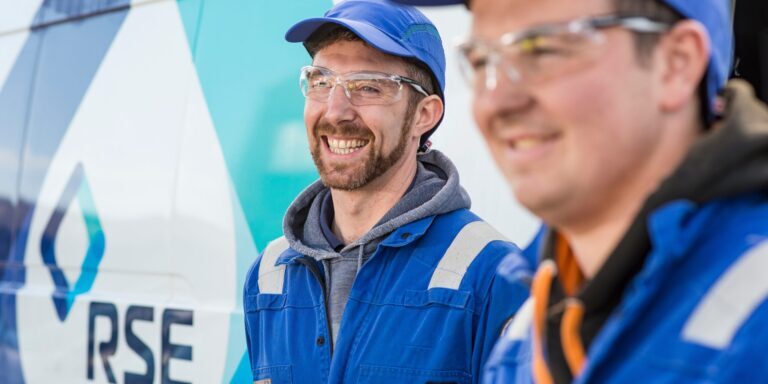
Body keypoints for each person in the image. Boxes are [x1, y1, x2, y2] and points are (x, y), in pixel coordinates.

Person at [394, 0, 768, 382]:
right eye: (482, 60)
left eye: (542, 49)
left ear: (676, 63)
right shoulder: (530, 329)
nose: (496, 101)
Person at [242, 1, 532, 383]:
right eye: (321, 81)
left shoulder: (491, 275)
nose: (336, 111)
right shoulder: (268, 275)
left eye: (367, 87)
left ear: (424, 115)